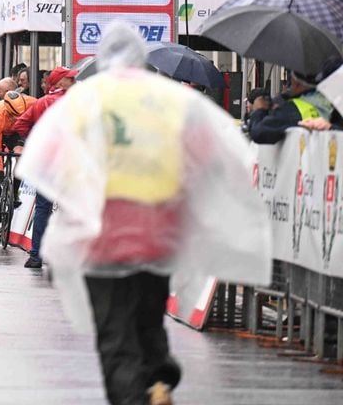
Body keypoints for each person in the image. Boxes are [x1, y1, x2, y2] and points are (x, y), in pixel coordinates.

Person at [16, 23, 271, 405]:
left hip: (101, 242)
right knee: (148, 318)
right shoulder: (172, 105)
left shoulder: (85, 106)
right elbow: (207, 162)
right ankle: (158, 376)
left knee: (114, 333)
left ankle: (137, 394)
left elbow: (51, 165)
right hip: (157, 238)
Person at [13, 65, 77, 269]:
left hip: (47, 162)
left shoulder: (41, 103)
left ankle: (36, 255)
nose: (74, 81)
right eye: (70, 78)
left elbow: (20, 125)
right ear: (60, 83)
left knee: (43, 208)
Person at [0, 77, 35, 229]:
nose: (16, 118)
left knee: (21, 153)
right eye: (13, 116)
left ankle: (15, 190)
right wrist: (0, 174)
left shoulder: (31, 101)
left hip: (15, 133)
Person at [251, 61, 343, 143]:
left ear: (296, 83)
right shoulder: (334, 104)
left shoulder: (292, 109)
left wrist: (259, 110)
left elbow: (259, 132)